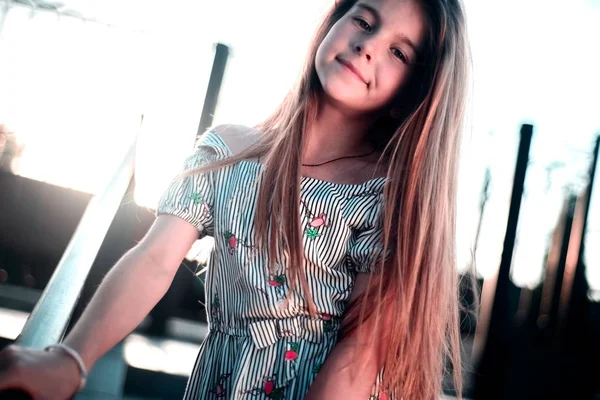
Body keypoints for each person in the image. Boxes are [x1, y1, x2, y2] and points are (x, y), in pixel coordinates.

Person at [0, 0, 470, 398]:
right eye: (363, 22)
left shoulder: (386, 200)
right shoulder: (225, 151)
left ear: (411, 92)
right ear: (333, 23)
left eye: (398, 52)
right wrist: (71, 359)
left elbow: (359, 355)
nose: (368, 46)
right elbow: (154, 261)